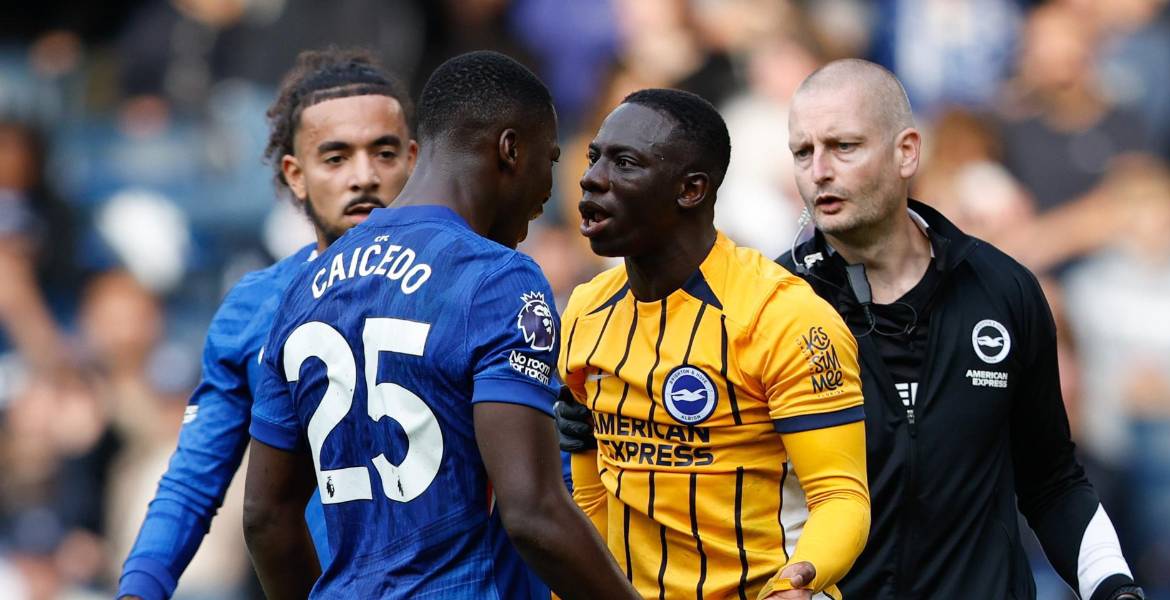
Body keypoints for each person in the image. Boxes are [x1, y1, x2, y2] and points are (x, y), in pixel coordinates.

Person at [243, 50, 638, 600]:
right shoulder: (497, 278)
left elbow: (265, 517)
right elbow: (534, 513)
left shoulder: (308, 285)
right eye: (549, 162)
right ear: (510, 150)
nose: (551, 193)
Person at [775, 59, 1143, 599]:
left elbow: (1053, 481)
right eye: (803, 152)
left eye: (844, 146)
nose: (819, 171)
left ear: (907, 152)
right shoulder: (773, 303)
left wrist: (1114, 587)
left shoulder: (1005, 289)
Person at [115, 47, 418, 600]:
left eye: (384, 152)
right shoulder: (254, 307)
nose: (364, 176)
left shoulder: (474, 286)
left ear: (414, 162)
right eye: (335, 157)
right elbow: (193, 481)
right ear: (294, 175)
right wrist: (140, 589)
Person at [557, 88, 870, 600]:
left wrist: (800, 580)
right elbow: (592, 497)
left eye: (626, 163)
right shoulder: (585, 312)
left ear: (691, 189)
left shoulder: (785, 317)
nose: (592, 177)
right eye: (594, 157)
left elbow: (841, 496)